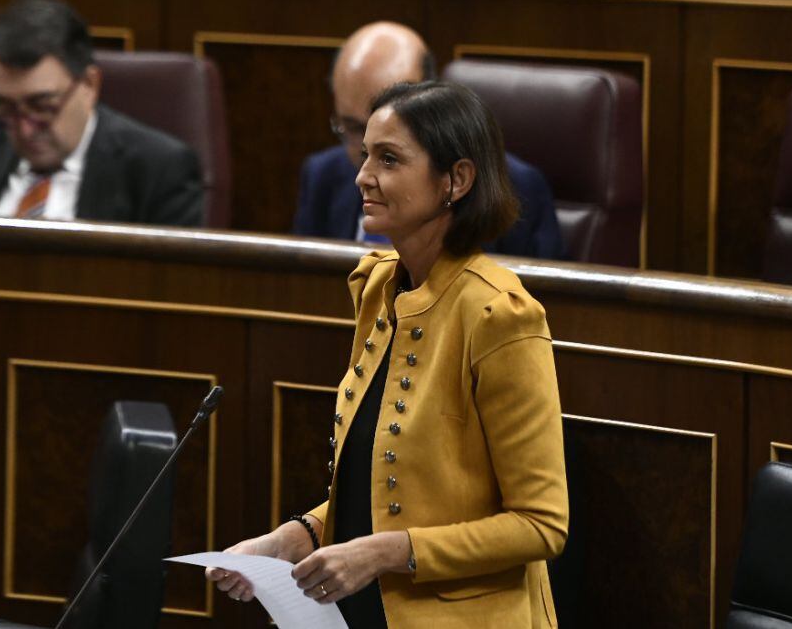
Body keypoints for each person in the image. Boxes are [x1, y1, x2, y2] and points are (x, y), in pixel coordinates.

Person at [208, 81, 568, 628]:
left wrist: (380, 553)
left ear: (457, 179)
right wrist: (287, 541)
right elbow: (376, 494)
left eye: (389, 159)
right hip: (365, 610)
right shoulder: (380, 288)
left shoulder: (500, 314)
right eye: (364, 155)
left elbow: (540, 524)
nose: (362, 177)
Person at [0, 0, 204, 226]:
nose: (25, 128)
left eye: (43, 106)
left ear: (89, 85)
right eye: (7, 107)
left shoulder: (159, 171)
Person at [293, 21, 564, 259]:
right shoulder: (322, 176)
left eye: (388, 154)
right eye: (353, 128)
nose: (364, 171)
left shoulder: (517, 186)